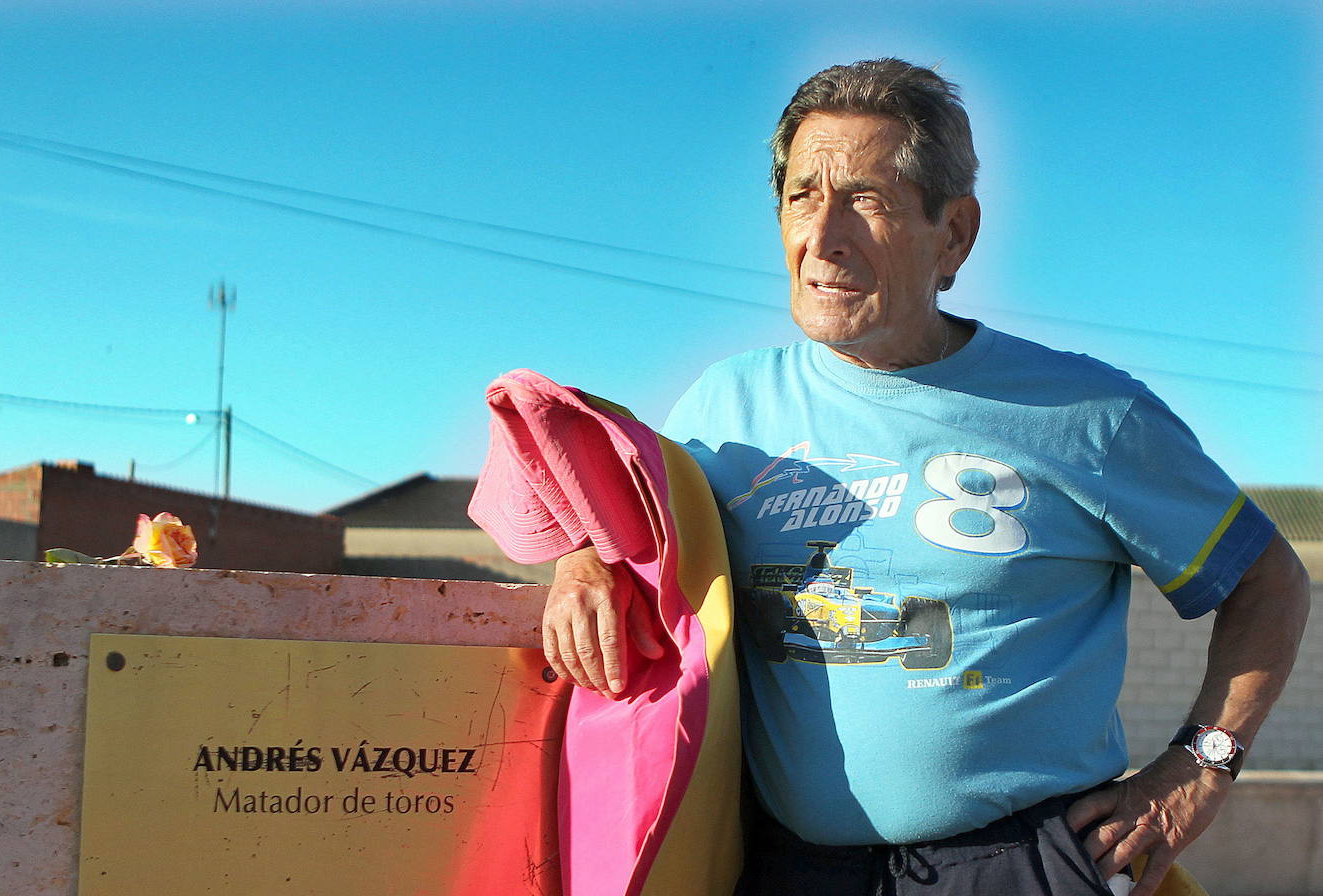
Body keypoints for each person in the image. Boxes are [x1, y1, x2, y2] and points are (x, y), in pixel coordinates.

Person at [542, 58, 1310, 895]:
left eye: (866, 200)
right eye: (802, 196)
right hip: (785, 869)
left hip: (1022, 866)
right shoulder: (721, 407)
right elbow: (631, 543)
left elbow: (1267, 580)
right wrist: (582, 562)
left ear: (955, 234)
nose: (823, 235)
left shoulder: (1088, 413)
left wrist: (1199, 767)